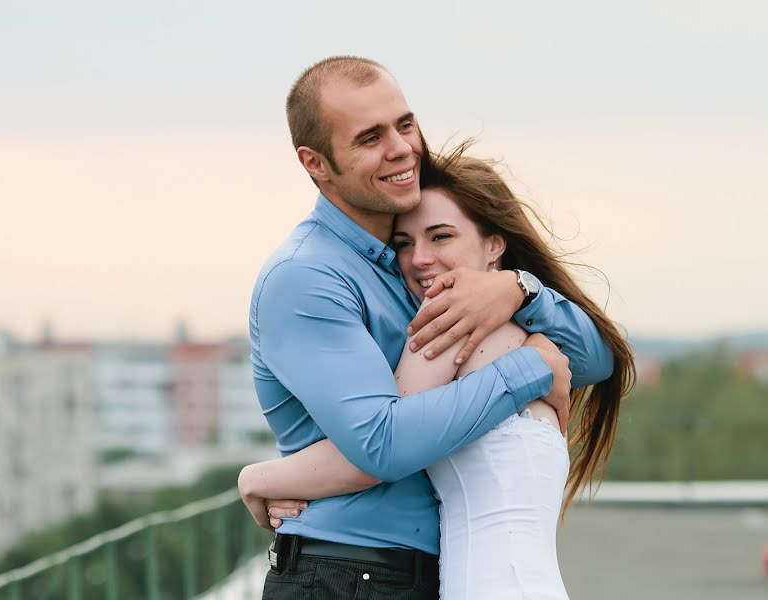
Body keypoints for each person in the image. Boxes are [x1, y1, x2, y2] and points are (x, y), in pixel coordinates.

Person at [247, 55, 615, 599]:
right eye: (370, 137)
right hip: (346, 573)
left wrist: (520, 289)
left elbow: (594, 359)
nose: (400, 148)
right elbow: (383, 443)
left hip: (423, 573)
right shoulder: (306, 277)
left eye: (405, 123)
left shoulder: (421, 273)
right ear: (316, 163)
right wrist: (530, 367)